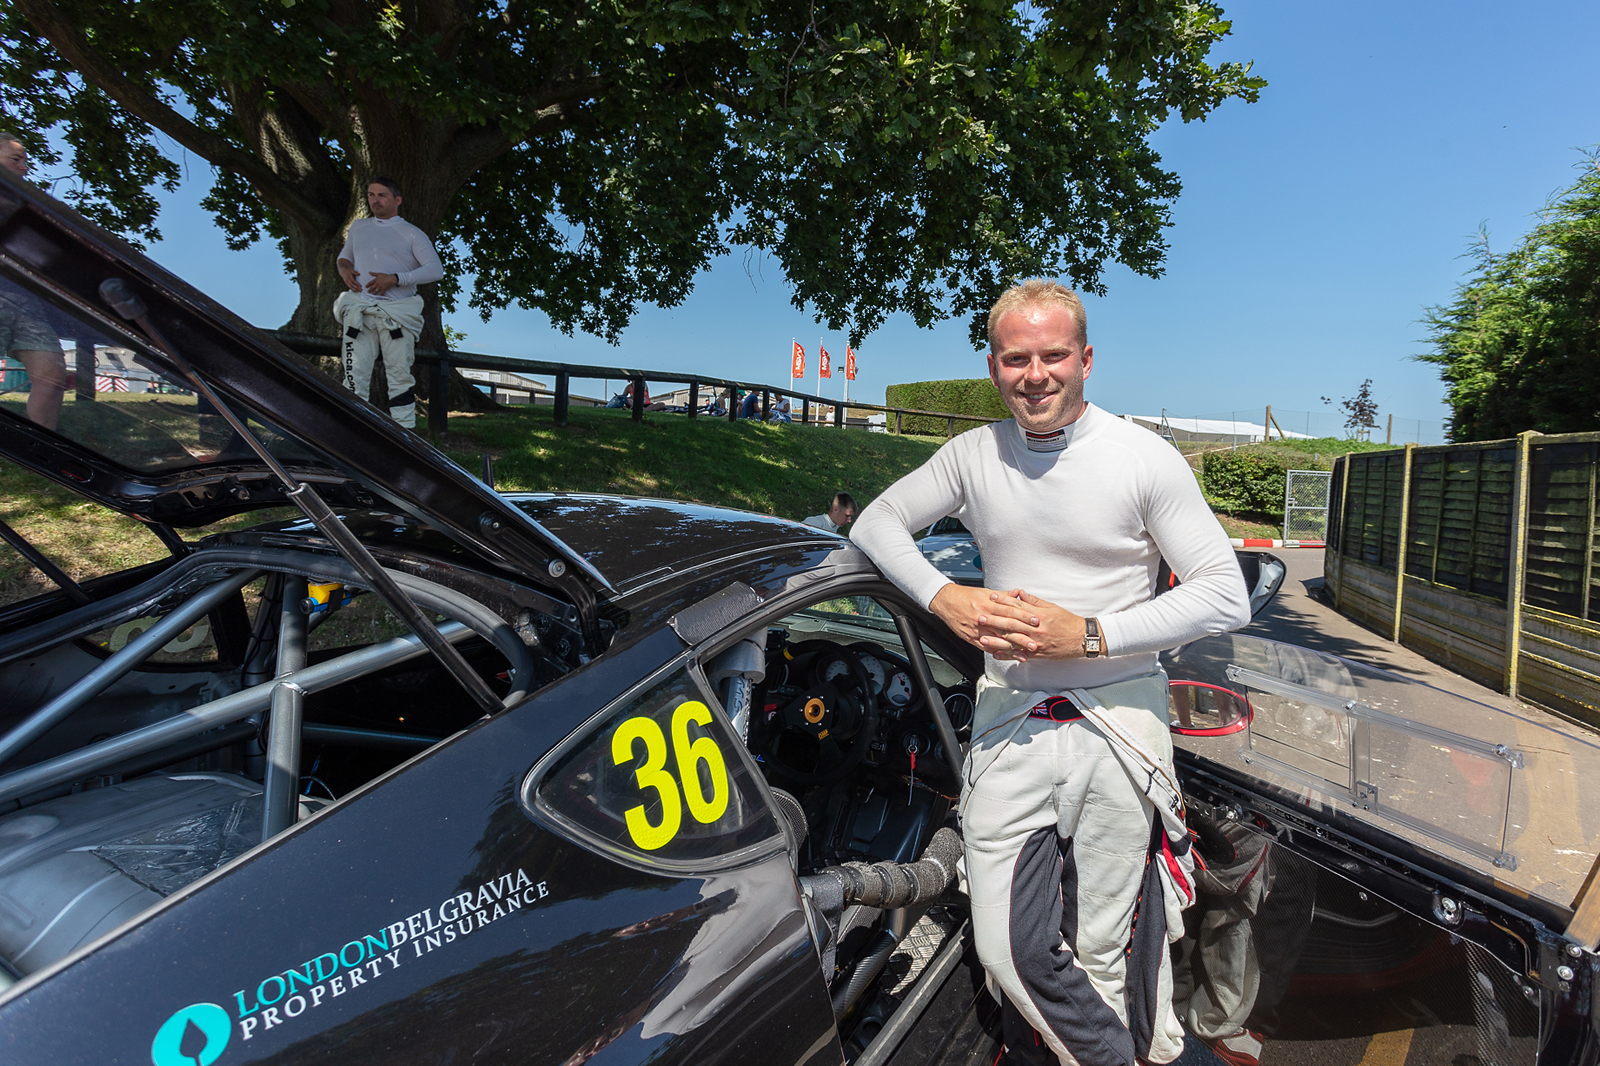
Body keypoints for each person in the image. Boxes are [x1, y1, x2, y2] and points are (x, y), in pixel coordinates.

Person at [850, 279, 1250, 1066]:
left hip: (1119, 724)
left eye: (1054, 355)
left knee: (1099, 952)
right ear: (993, 367)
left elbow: (1223, 594)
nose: (1036, 375)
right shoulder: (973, 454)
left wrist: (1089, 635)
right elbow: (876, 522)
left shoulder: (1143, 457)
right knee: (1006, 950)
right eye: (1016, 359)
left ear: (1086, 360)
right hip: (1010, 721)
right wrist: (945, 597)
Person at [332, 177, 442, 428]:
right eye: (371, 195)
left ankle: (405, 435)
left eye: (382, 195)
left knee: (399, 376)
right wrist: (345, 270)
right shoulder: (359, 227)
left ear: (397, 200)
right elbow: (344, 257)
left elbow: (435, 269)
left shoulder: (412, 233)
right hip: (360, 312)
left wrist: (395, 278)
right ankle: (351, 432)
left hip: (397, 315)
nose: (375, 200)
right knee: (353, 375)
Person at [0, 132, 67, 431]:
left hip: (25, 298)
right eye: (15, 159)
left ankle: (46, 446)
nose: (24, 167)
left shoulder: (29, 205)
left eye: (25, 160)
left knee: (52, 375)